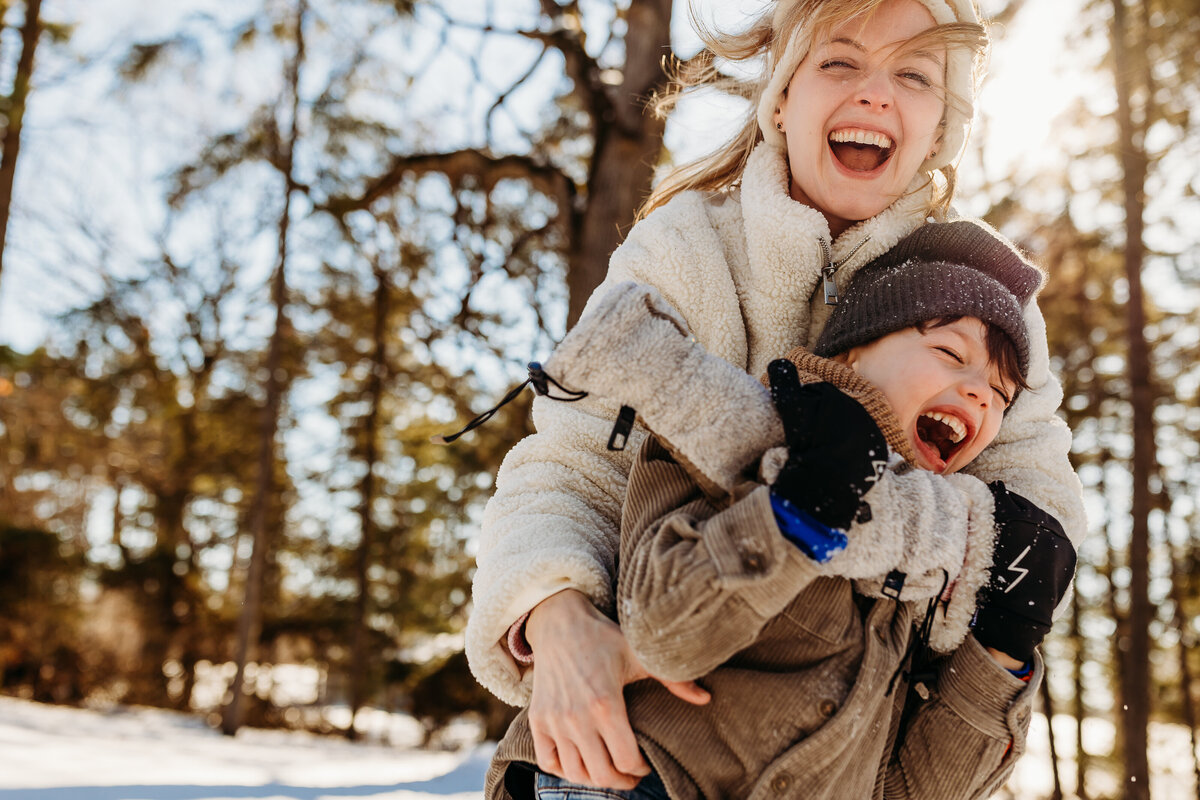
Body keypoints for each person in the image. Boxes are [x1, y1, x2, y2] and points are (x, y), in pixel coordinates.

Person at [465, 0, 1086, 791]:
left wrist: (863, 520)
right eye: (840, 61)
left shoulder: (985, 296)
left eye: (914, 73)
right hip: (642, 743)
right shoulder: (684, 250)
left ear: (942, 128)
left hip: (831, 758)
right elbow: (573, 459)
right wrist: (552, 613)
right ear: (783, 97)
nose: (875, 93)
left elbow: (1034, 520)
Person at [481, 220, 1077, 800]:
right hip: (621, 771)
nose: (980, 392)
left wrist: (1002, 652)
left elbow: (907, 790)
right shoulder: (736, 438)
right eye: (950, 352)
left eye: (1000, 395)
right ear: (852, 354)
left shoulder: (923, 573)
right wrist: (795, 514)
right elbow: (662, 633)